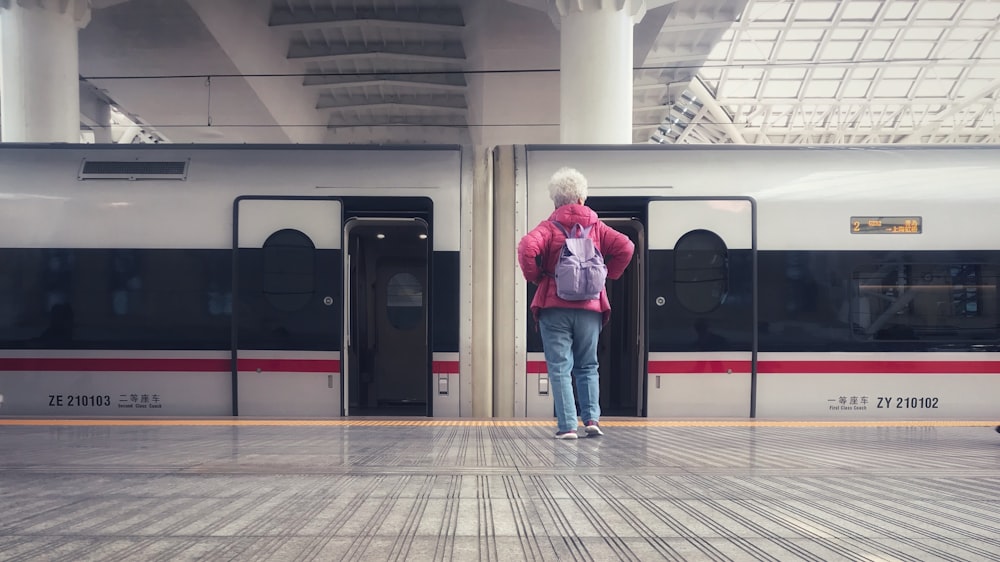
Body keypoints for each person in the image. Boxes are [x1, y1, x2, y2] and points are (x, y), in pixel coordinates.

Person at [517, 167, 634, 439]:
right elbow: (626, 247)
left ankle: (568, 426)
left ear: (556, 201)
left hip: (554, 307)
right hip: (590, 308)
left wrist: (536, 277)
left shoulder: (548, 227)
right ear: (582, 199)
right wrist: (608, 275)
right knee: (588, 365)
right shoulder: (598, 227)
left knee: (560, 368)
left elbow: (526, 248)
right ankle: (592, 420)